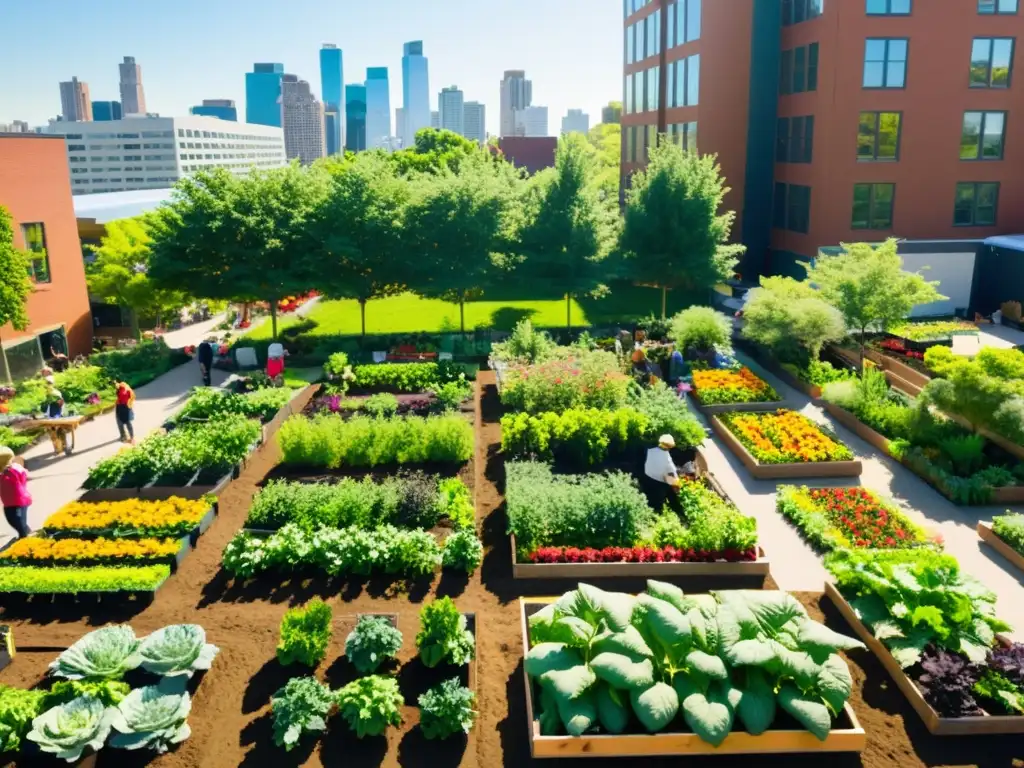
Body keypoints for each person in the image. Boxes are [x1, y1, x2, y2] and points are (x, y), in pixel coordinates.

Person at [643, 434, 680, 512]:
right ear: (670, 446)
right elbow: (672, 478)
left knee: (648, 496)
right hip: (658, 483)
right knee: (657, 503)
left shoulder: (650, 450)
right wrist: (677, 487)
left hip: (646, 478)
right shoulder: (667, 460)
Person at [0, 447, 31, 539]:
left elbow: (23, 476)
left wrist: (10, 471)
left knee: (19, 520)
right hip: (8, 502)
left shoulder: (15, 469)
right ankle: (25, 530)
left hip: (20, 501)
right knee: (11, 520)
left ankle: (24, 536)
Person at [42, 378, 68, 455]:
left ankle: (64, 446)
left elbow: (61, 404)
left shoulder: (56, 393)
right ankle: (57, 449)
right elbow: (43, 408)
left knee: (61, 431)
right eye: (47, 384)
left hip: (57, 415)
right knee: (53, 434)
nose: (48, 385)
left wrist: (58, 402)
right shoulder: (44, 394)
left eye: (49, 383)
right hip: (49, 416)